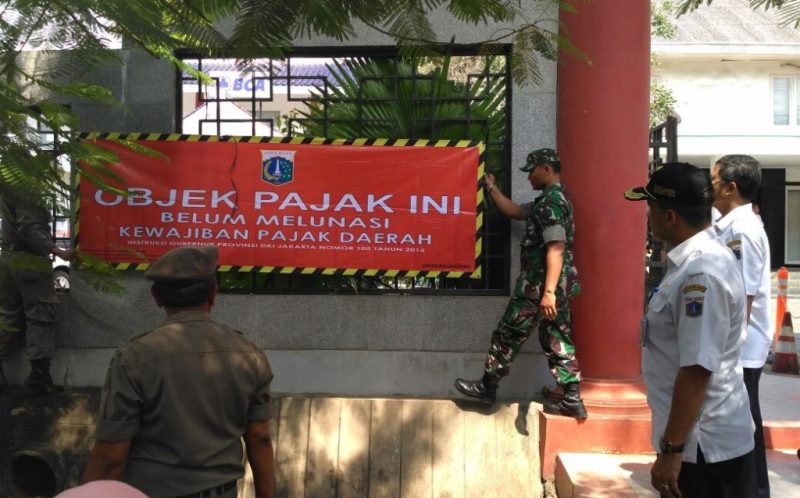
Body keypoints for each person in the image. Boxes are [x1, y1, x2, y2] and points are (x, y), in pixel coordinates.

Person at [83, 246, 275, 498]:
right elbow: (259, 439)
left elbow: (111, 457)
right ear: (213, 293)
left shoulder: (133, 358)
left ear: (155, 296)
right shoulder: (250, 354)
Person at [624, 163, 756, 498]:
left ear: (669, 216)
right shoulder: (694, 262)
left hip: (704, 448)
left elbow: (697, 369)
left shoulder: (701, 272)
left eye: (651, 207)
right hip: (695, 442)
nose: (647, 216)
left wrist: (671, 450)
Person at [455, 148, 585, 419]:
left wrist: (547, 293)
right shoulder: (550, 201)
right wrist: (492, 188)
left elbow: (556, 247)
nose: (528, 177)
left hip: (538, 287)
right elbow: (515, 211)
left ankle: (487, 388)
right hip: (554, 286)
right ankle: (572, 397)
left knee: (508, 333)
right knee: (556, 336)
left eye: (532, 171)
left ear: (546, 169)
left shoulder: (550, 203)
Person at [710, 154, 771, 498]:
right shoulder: (730, 225)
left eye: (714, 180)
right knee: (743, 423)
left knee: (745, 424)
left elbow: (743, 295)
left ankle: (755, 490)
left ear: (730, 188)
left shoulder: (742, 230)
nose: (710, 187)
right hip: (737, 344)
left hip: (741, 347)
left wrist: (727, 350)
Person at [0, 194, 74, 394]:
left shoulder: (10, 185)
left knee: (7, 317)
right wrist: (57, 251)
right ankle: (39, 379)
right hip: (30, 262)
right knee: (41, 316)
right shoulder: (27, 187)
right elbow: (29, 228)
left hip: (8, 260)